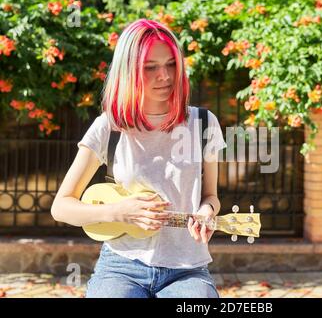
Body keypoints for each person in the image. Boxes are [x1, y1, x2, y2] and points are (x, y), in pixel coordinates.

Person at [50, 19, 227, 298]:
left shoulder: (204, 124)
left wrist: (206, 212)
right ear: (128, 70)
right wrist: (118, 212)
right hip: (120, 266)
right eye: (150, 67)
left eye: (171, 64)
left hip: (187, 269)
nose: (165, 76)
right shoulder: (109, 127)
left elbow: (211, 197)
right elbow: (61, 207)